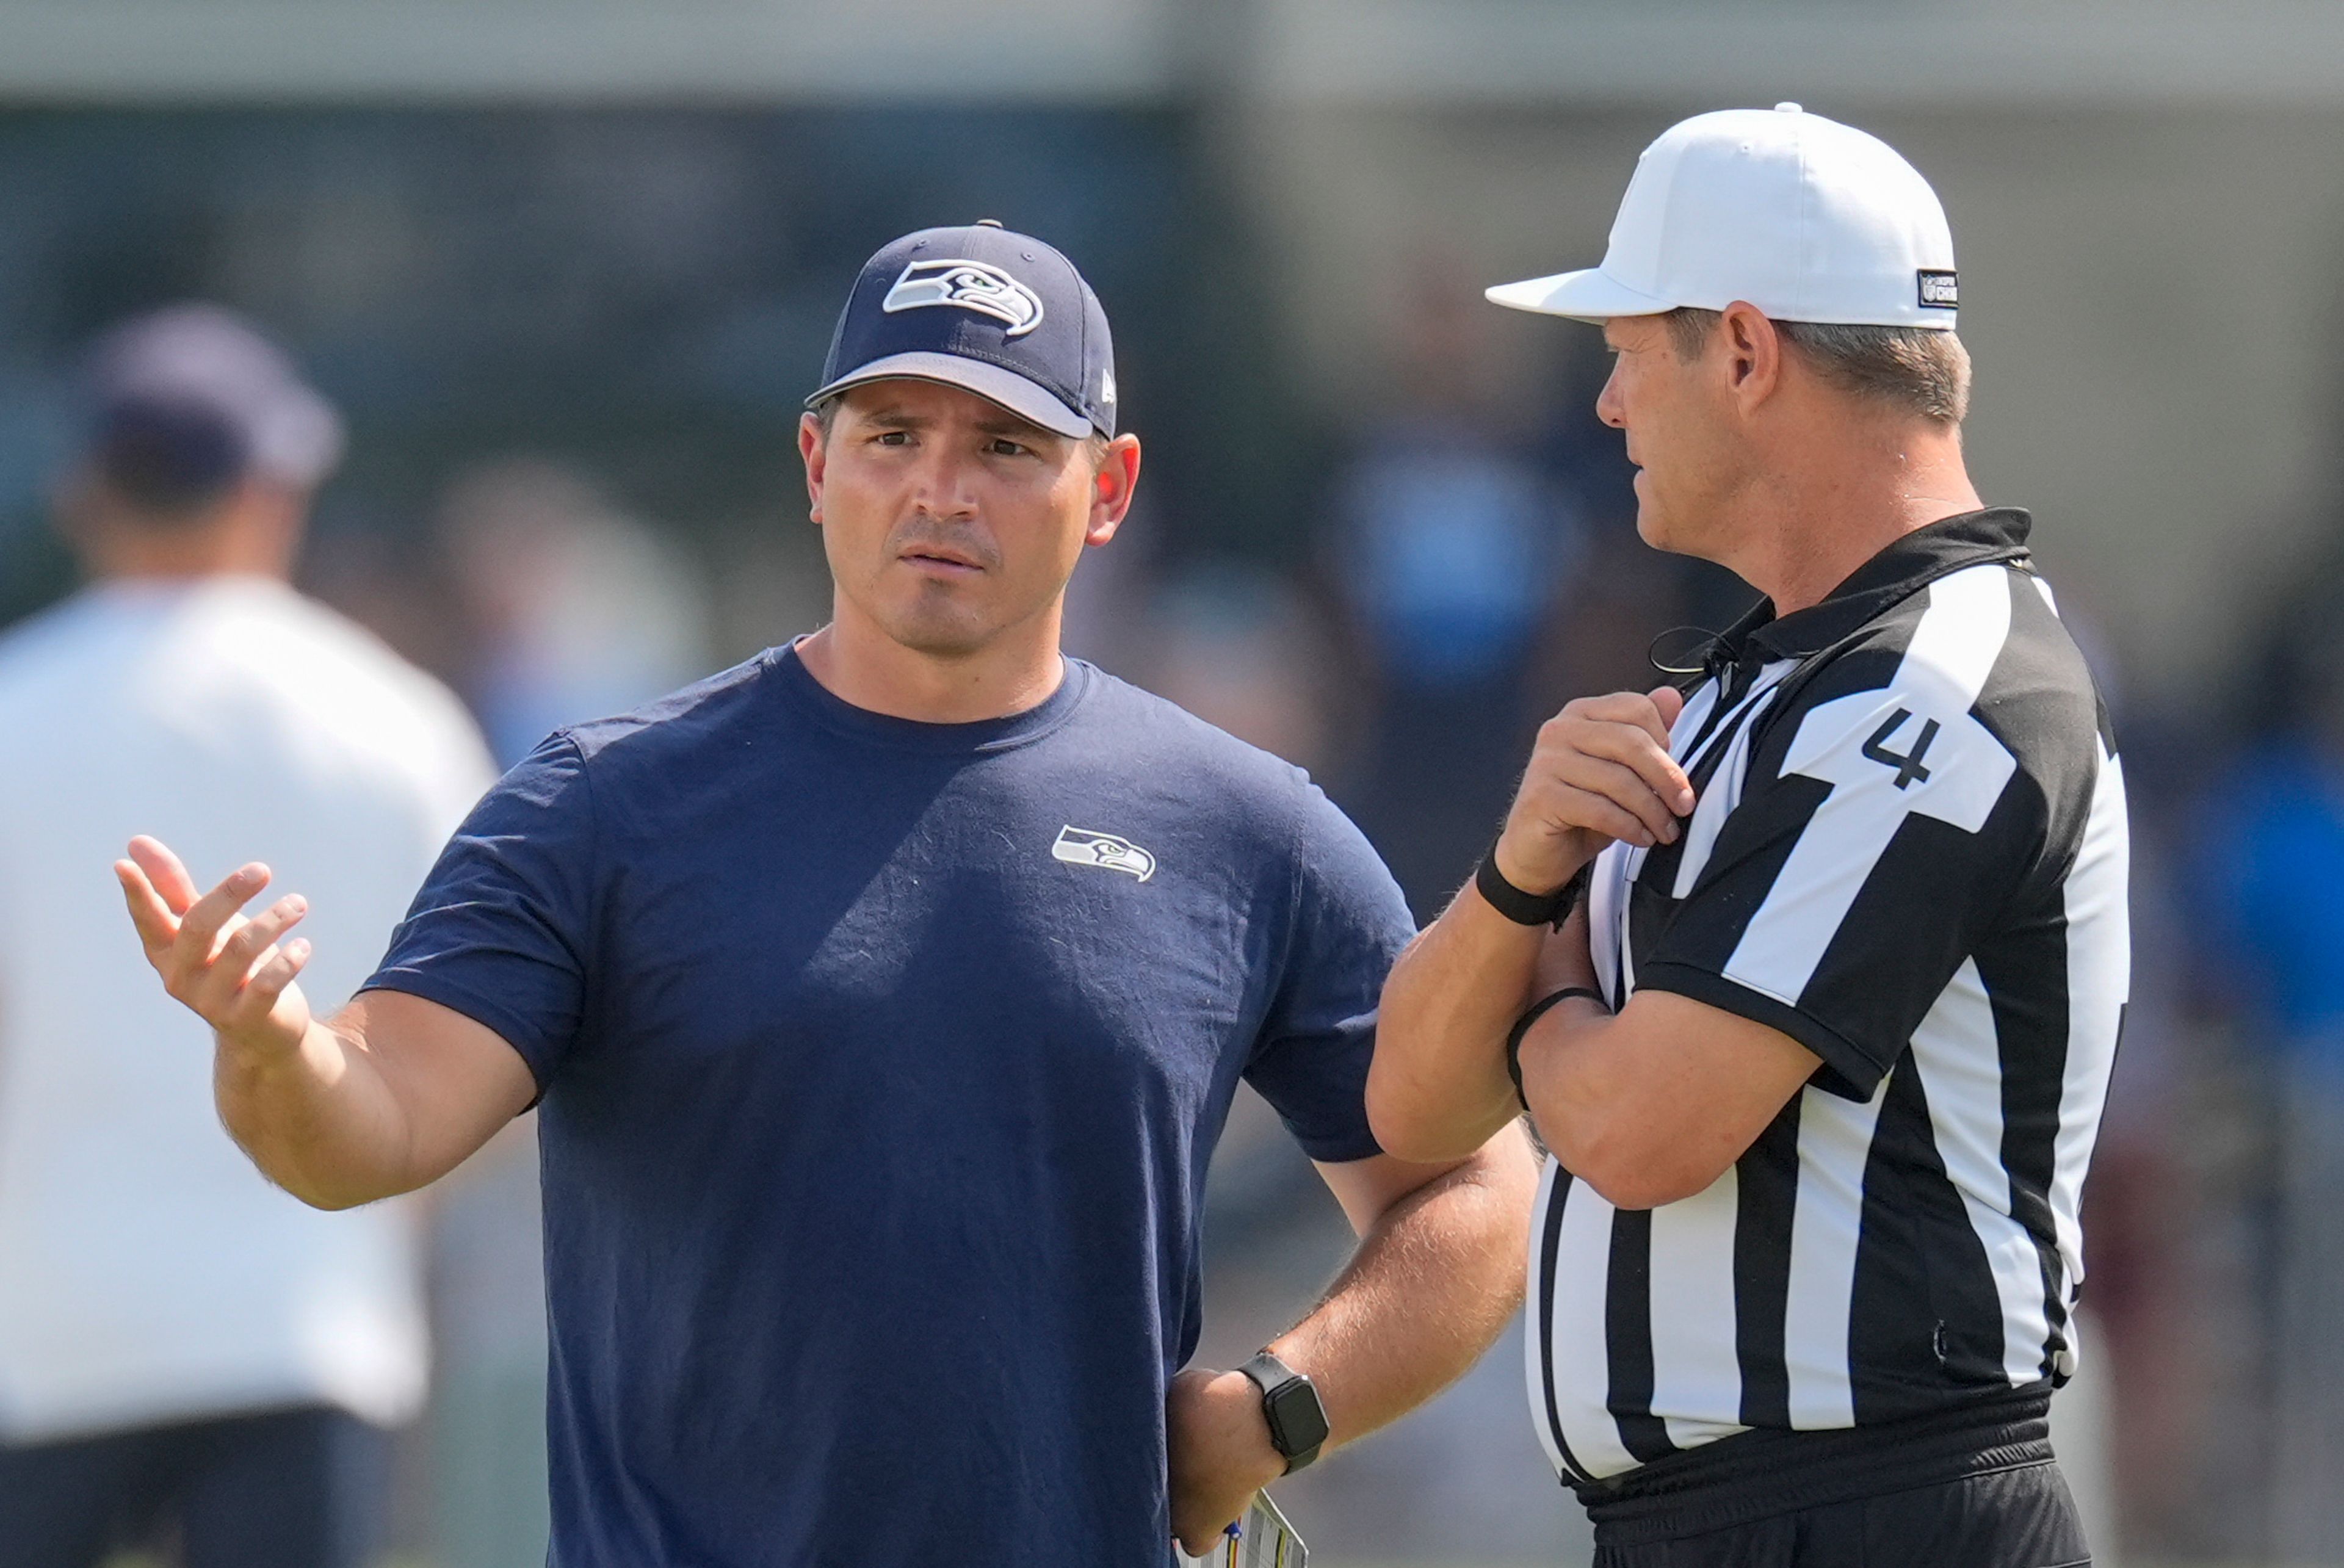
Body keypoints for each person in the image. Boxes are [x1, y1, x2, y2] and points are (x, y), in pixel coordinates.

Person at [117, 223, 1538, 1565]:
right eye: (893, 437)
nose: (941, 489)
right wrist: (272, 1052)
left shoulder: (1242, 828)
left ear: (1105, 491)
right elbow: (368, 1124)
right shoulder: (608, 807)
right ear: (816, 460)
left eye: (1006, 445)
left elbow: (1470, 1184)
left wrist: (1278, 1406)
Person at [1367, 106, 2129, 1566]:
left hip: (1881, 1515)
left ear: (1743, 349)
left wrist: (1544, 983)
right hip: (1719, 1526)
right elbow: (1409, 1104)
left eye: (1626, 350)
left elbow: (1643, 1126)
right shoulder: (1760, 684)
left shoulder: (1950, 680)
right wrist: (1521, 872)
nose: (1605, 408)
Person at [0, 305, 496, 1567]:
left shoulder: (15, 718)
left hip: (44, 1335)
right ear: (273, 490)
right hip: (306, 1329)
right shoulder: (391, 721)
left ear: (85, 497)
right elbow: (481, 1038)